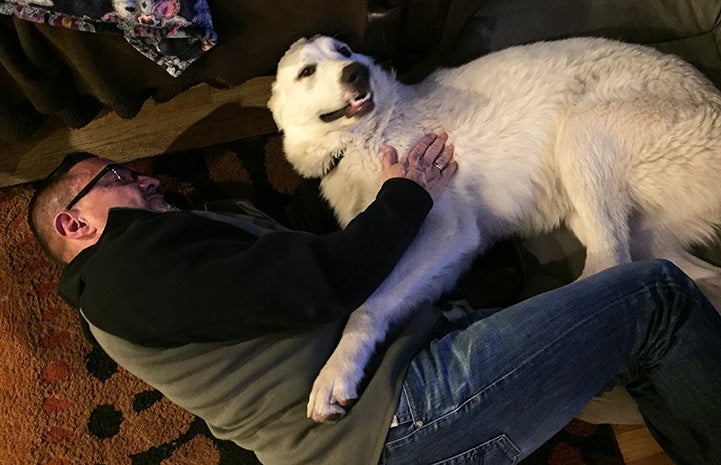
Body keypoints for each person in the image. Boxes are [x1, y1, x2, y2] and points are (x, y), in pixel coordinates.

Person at [28, 133, 721, 465]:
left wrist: (344, 158)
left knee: (629, 348)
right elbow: (314, 284)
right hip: (400, 415)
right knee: (652, 295)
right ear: (74, 222)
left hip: (385, 405)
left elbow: (290, 251)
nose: (145, 182)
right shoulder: (121, 269)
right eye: (116, 175)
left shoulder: (160, 269)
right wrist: (406, 195)